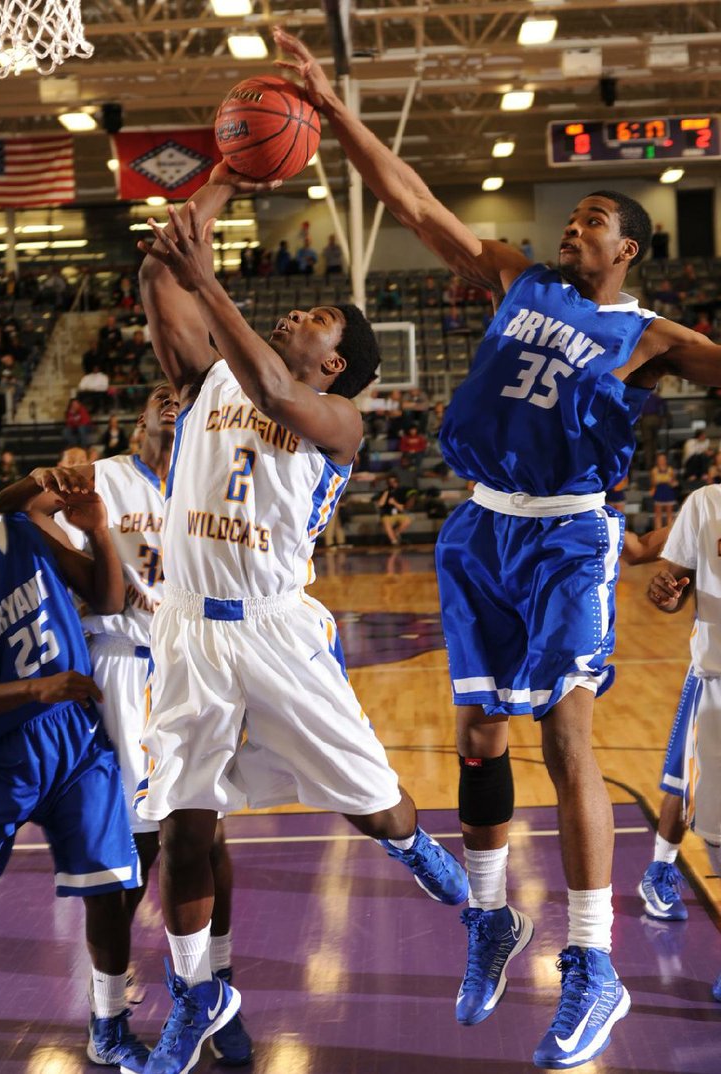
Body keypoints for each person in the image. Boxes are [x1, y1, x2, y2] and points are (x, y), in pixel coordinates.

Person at [273, 24, 721, 1068]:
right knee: (477, 740)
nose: (575, 225)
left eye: (595, 220)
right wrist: (335, 112)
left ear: (628, 251)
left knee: (565, 739)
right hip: (478, 524)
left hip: (566, 533)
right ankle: (487, 918)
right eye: (574, 217)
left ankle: (593, 963)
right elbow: (417, 204)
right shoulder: (517, 278)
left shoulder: (652, 337)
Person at [136, 174, 469, 1073]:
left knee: (376, 811)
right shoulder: (206, 381)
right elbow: (157, 281)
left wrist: (209, 279)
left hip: (278, 633)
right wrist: (222, 183)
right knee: (182, 828)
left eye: (318, 314)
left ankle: (447, 876)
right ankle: (198, 997)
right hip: (187, 634)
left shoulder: (337, 419)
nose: (299, 315)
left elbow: (277, 393)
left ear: (337, 360)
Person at [0, 383, 254, 1065]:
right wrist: (35, 484)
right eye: (161, 395)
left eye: (184, 398)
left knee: (203, 840)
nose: (173, 402)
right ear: (134, 417)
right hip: (114, 674)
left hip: (195, 672)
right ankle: (107, 1017)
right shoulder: (102, 476)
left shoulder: (220, 483)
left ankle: (212, 989)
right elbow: (4, 515)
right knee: (120, 863)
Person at [0, 454, 149, 1072]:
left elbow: (105, 597)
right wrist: (34, 690)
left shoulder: (22, 530)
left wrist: (98, 528)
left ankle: (109, 1025)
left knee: (107, 889)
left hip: (75, 743)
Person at [647, 485, 721, 1001]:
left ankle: (659, 867)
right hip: (715, 676)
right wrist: (667, 595)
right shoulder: (707, 502)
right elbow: (673, 583)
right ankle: (659, 866)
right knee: (692, 788)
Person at [377, 474, 412, 545]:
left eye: (394, 482)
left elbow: (403, 508)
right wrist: (386, 493)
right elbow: (380, 504)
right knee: (386, 522)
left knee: (407, 520)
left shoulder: (401, 492)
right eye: (390, 482)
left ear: (397, 482)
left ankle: (396, 533)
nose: (392, 484)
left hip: (399, 514)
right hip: (387, 515)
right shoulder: (384, 492)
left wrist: (394, 503)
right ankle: (394, 541)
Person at [650, 451, 678, 528]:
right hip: (659, 492)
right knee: (658, 514)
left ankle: (669, 533)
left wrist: (666, 480)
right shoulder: (654, 470)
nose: (661, 461)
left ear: (666, 460)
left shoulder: (670, 469)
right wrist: (664, 479)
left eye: (663, 459)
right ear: (657, 461)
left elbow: (673, 482)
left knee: (669, 513)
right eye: (660, 459)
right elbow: (653, 482)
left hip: (668, 491)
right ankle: (657, 531)